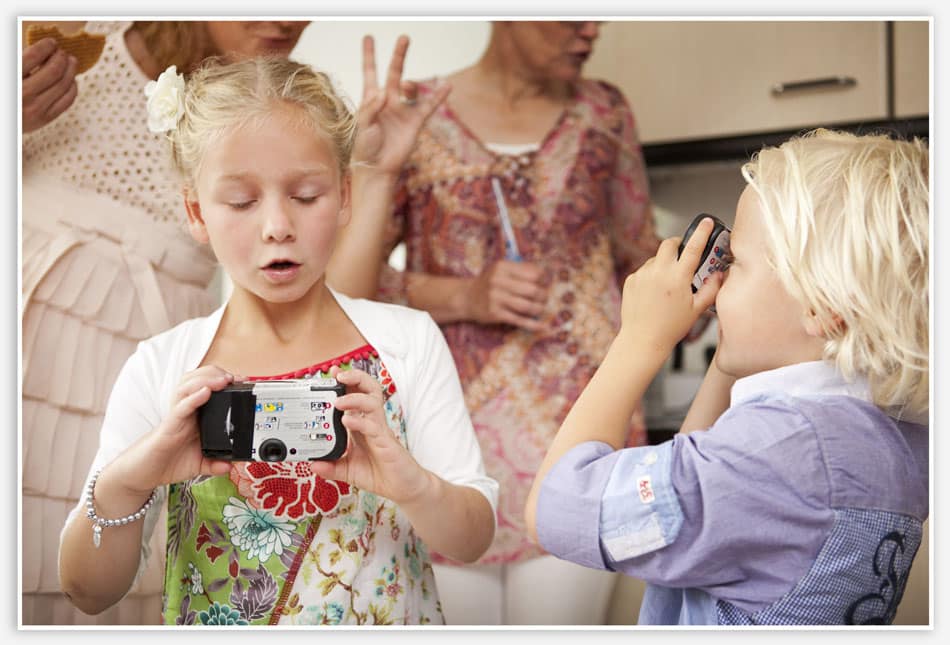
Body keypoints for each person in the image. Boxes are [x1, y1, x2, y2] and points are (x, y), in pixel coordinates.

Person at [21, 21, 444, 625]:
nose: (281, 19)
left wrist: (375, 175)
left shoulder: (279, 122)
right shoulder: (58, 50)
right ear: (197, 208)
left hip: (174, 367)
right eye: (241, 203)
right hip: (34, 362)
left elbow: (320, 317)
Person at [326, 21, 661, 624]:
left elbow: (640, 255)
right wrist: (464, 296)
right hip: (445, 436)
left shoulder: (604, 111)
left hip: (583, 432)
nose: (592, 30)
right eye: (571, 14)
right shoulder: (417, 114)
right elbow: (349, 289)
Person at [525, 129, 929, 625]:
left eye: (735, 262)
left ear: (821, 306)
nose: (718, 283)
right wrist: (728, 349)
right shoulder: (898, 440)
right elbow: (698, 477)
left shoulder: (771, 455)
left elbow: (557, 509)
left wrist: (638, 341)